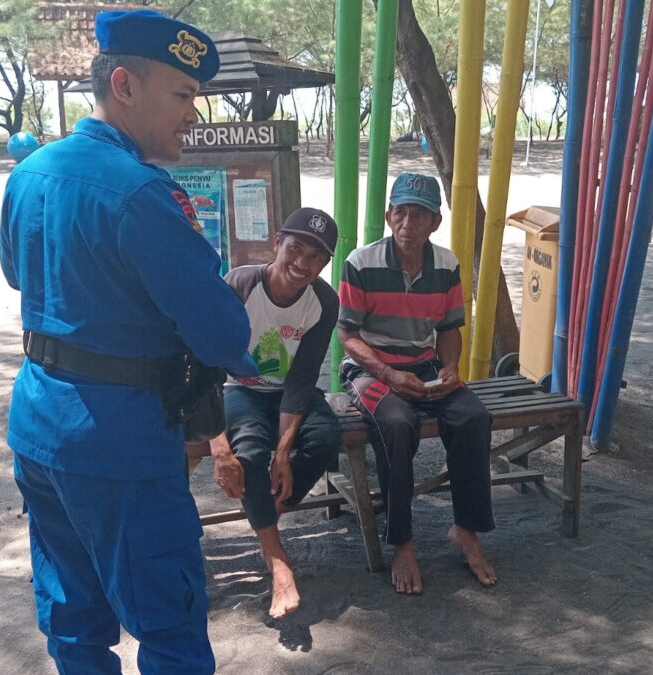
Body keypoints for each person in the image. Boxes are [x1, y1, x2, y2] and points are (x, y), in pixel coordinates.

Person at [0, 9, 256, 674]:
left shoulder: (30, 172)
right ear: (125, 85)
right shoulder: (143, 193)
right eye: (183, 95)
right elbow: (222, 332)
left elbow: (17, 273)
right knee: (169, 625)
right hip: (122, 443)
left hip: (39, 426)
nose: (192, 115)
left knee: (73, 620)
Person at [336, 172, 497, 595]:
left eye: (419, 215)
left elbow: (448, 328)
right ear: (389, 216)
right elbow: (347, 335)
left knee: (473, 417)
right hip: (370, 369)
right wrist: (388, 374)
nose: (408, 224)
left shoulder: (446, 264)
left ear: (435, 222)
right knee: (396, 424)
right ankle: (402, 541)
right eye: (401, 213)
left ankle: (466, 529)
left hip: (425, 366)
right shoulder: (361, 262)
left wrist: (450, 367)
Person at [208, 208, 342, 620]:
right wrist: (217, 445)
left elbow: (302, 379)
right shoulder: (240, 285)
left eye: (316, 256)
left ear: (326, 263)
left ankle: (264, 518)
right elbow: (206, 365)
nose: (302, 263)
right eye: (295, 248)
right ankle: (277, 557)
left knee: (325, 439)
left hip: (290, 393)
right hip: (240, 388)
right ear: (277, 243)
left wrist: (283, 454)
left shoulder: (324, 301)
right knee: (249, 452)